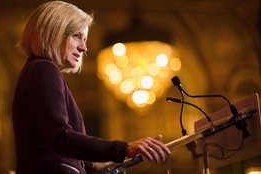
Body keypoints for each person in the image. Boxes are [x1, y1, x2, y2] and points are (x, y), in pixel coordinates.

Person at [12, 1, 171, 174]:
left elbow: (46, 145)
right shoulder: (44, 69)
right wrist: (124, 148)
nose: (84, 47)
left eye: (85, 39)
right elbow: (60, 137)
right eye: (76, 36)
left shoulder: (36, 69)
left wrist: (90, 166)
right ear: (54, 32)